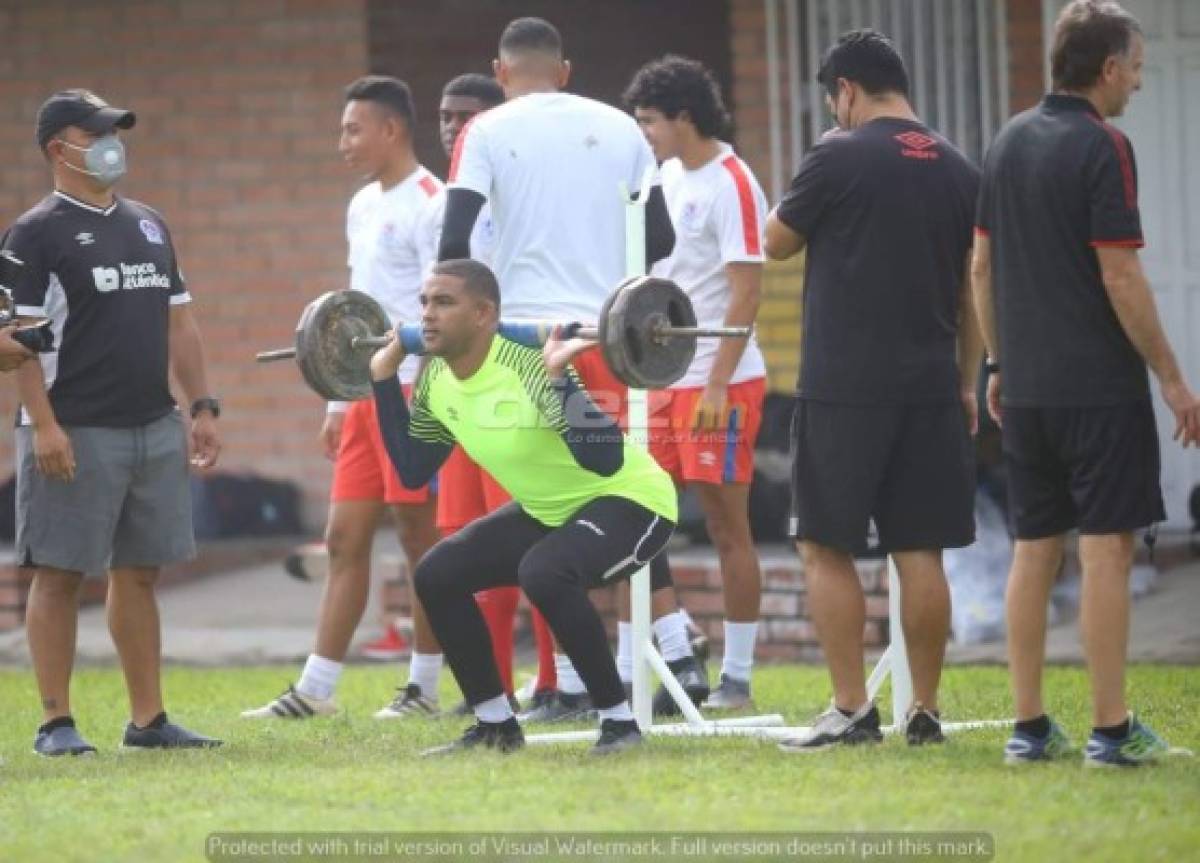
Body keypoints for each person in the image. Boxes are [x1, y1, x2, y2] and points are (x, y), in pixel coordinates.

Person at [439, 16, 708, 721]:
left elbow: (454, 239)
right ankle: (657, 654)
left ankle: (589, 684)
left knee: (546, 511)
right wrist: (615, 292)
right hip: (606, 340)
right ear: (563, 70)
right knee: (619, 496)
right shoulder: (621, 127)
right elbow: (659, 236)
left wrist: (461, 323)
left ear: (500, 74)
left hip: (524, 347)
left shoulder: (486, 132)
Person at [972, 0, 1200, 767]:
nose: (1137, 83)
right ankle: (1110, 729)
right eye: (1135, 68)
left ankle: (1028, 727)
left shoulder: (1005, 140)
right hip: (1100, 388)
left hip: (1028, 389)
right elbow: (1122, 272)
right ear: (1106, 69)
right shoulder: (1106, 145)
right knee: (1106, 552)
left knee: (1033, 551)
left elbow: (980, 267)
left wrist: (998, 363)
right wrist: (1173, 377)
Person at [764, 30, 982, 750]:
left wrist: (826, 151)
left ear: (847, 91)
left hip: (843, 388)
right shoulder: (958, 167)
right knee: (920, 550)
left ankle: (853, 708)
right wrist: (968, 380)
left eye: (835, 100)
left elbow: (776, 241)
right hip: (931, 387)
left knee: (825, 545)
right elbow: (971, 286)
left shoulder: (837, 152)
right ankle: (924, 707)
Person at [369, 258, 678, 755]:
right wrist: (383, 380)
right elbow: (412, 469)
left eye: (444, 302)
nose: (426, 314)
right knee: (436, 573)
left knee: (545, 571)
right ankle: (496, 726)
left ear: (484, 314)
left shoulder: (528, 365)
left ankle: (619, 723)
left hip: (632, 501)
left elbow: (602, 460)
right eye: (424, 302)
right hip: (550, 509)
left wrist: (559, 376)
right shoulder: (436, 382)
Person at [2, 89, 222, 755]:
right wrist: (44, 426)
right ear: (56, 150)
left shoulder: (149, 223)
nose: (110, 143)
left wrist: (203, 404)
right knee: (60, 572)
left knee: (140, 571)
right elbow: (17, 339)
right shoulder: (33, 233)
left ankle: (148, 720)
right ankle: (55, 722)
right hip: (74, 428)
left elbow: (179, 321)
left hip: (152, 424)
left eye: (114, 131)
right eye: (93, 132)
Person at [242, 76, 444, 721]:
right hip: (359, 401)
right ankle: (316, 690)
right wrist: (334, 401)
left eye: (353, 129)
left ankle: (424, 687)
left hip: (415, 396)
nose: (342, 143)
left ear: (391, 130)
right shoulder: (360, 205)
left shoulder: (434, 203)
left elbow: (445, 314)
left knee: (421, 542)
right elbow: (350, 314)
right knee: (341, 537)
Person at [625, 55, 767, 710]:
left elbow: (747, 292)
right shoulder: (666, 175)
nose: (643, 131)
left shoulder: (733, 181)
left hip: (722, 382)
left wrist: (715, 382)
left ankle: (737, 676)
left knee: (723, 523)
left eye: (650, 120)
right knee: (637, 514)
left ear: (684, 117)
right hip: (662, 379)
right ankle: (666, 649)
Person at [415, 72, 559, 715]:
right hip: (452, 382)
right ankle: (491, 689)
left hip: (508, 377)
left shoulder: (522, 200)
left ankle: (558, 682)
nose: (453, 128)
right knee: (461, 537)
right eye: (446, 117)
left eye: (467, 116)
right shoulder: (439, 203)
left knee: (532, 542)